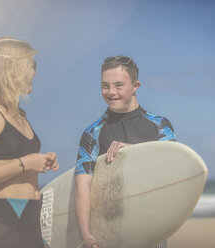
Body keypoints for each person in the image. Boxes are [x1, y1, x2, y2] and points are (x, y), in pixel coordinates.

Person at [0, 36, 59, 248]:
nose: (35, 72)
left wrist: (41, 161)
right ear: (12, 68)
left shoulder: (20, 115)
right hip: (2, 220)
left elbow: (17, 161)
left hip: (31, 217)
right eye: (31, 65)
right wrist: (25, 163)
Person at [74, 55, 176, 248]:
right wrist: (85, 234)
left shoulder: (160, 126)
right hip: (111, 233)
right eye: (105, 86)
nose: (111, 92)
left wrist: (133, 152)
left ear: (135, 86)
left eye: (118, 85)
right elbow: (82, 186)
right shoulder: (92, 133)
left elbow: (171, 170)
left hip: (151, 230)